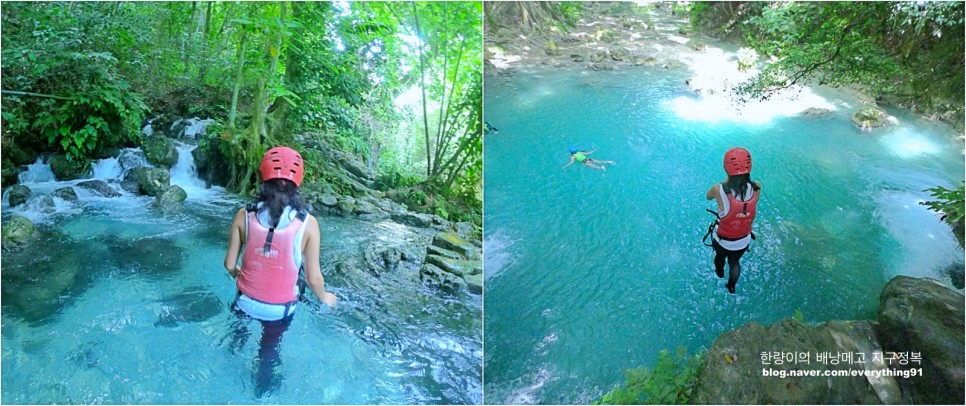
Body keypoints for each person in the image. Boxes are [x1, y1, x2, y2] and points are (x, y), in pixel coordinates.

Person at [223, 146, 338, 397]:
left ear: (263, 175)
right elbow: (312, 277)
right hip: (279, 310)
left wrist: (238, 275)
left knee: (239, 327)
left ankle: (233, 345)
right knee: (268, 351)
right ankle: (262, 392)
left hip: (245, 301)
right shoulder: (308, 223)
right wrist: (325, 297)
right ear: (298, 180)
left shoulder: (245, 214)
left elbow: (230, 264)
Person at [705, 147, 761, 294]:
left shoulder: (719, 189)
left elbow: (708, 196)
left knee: (720, 257)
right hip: (743, 240)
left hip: (723, 240)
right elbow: (751, 206)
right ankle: (731, 285)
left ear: (726, 168)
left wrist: (726, 181)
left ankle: (719, 272)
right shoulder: (756, 187)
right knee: (735, 262)